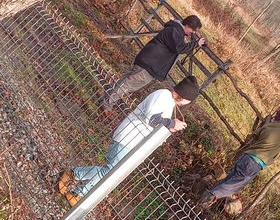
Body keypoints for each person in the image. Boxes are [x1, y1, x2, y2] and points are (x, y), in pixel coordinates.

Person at [59, 76, 200, 206]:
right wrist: (171, 123)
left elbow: (156, 124)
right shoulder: (163, 96)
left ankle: (76, 185)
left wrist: (169, 128)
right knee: (110, 172)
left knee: (110, 172)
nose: (189, 103)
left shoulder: (169, 104)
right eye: (190, 99)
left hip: (133, 143)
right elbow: (151, 118)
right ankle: (75, 183)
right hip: (127, 138)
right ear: (185, 97)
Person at [101, 15, 206, 115]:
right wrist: (196, 44)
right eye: (193, 30)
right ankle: (107, 105)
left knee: (126, 83)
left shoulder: (176, 31)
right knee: (127, 85)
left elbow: (179, 46)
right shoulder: (174, 31)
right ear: (188, 25)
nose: (193, 33)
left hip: (150, 65)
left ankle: (107, 100)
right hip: (148, 65)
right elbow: (179, 48)